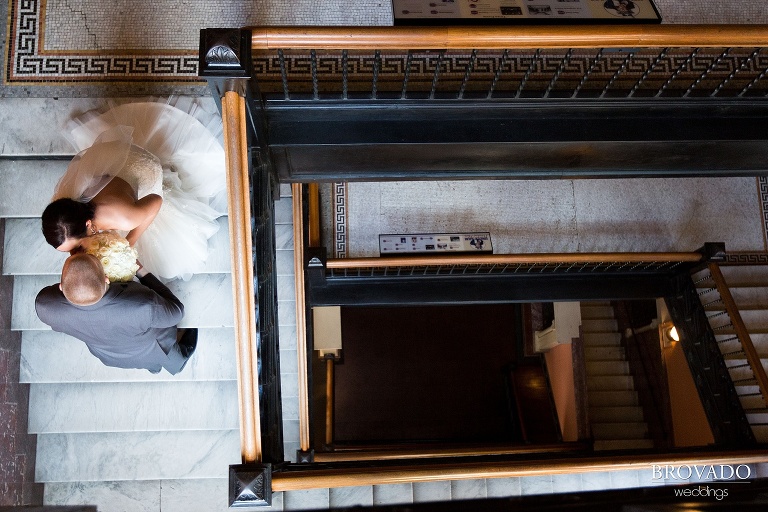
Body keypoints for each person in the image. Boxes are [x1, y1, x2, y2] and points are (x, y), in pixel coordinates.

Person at [41, 99, 227, 281]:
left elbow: (156, 201)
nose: (75, 253)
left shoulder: (126, 218)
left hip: (145, 170)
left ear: (89, 224)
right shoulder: (64, 208)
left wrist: (129, 241)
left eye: (76, 247)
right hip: (114, 162)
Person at [35, 253, 197, 375]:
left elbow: (51, 295)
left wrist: (75, 284)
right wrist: (141, 271)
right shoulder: (142, 305)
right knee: (175, 362)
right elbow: (176, 312)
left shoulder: (46, 307)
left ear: (61, 287)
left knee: (150, 364)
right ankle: (171, 361)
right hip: (151, 348)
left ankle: (153, 368)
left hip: (109, 355)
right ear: (106, 279)